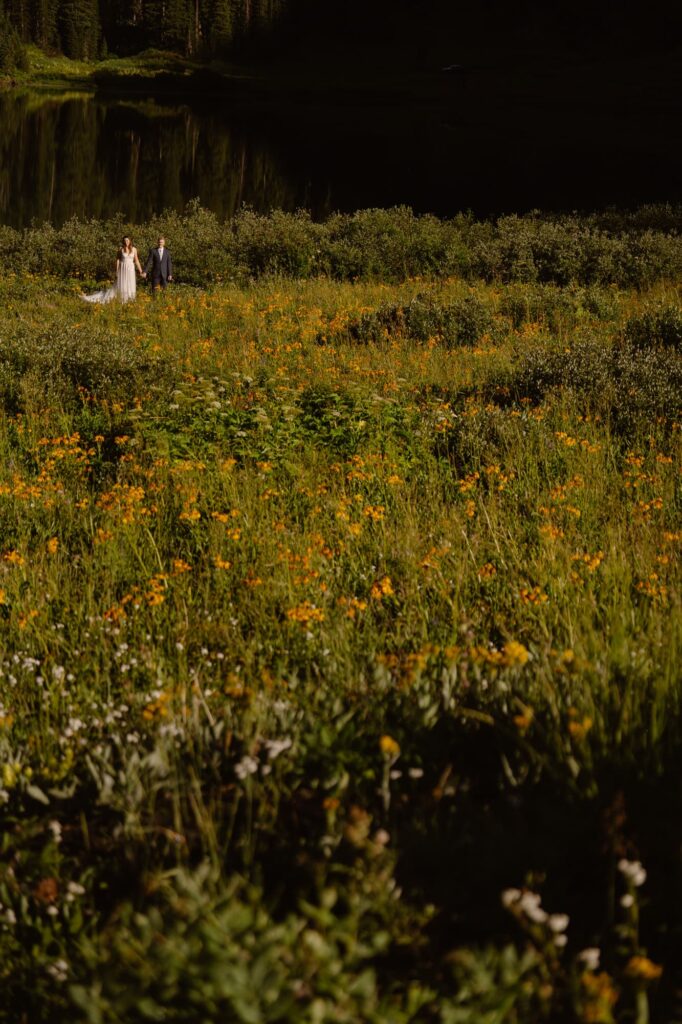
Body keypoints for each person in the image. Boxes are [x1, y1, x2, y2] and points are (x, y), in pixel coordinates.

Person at [82, 236, 143, 304]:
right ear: (123, 241)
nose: (126, 242)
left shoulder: (134, 249)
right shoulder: (120, 249)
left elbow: (136, 260)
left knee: (130, 283)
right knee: (122, 283)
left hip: (130, 269)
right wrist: (116, 271)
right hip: (122, 269)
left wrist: (140, 270)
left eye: (127, 240)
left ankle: (130, 299)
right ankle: (122, 299)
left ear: (130, 241)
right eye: (125, 241)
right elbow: (117, 260)